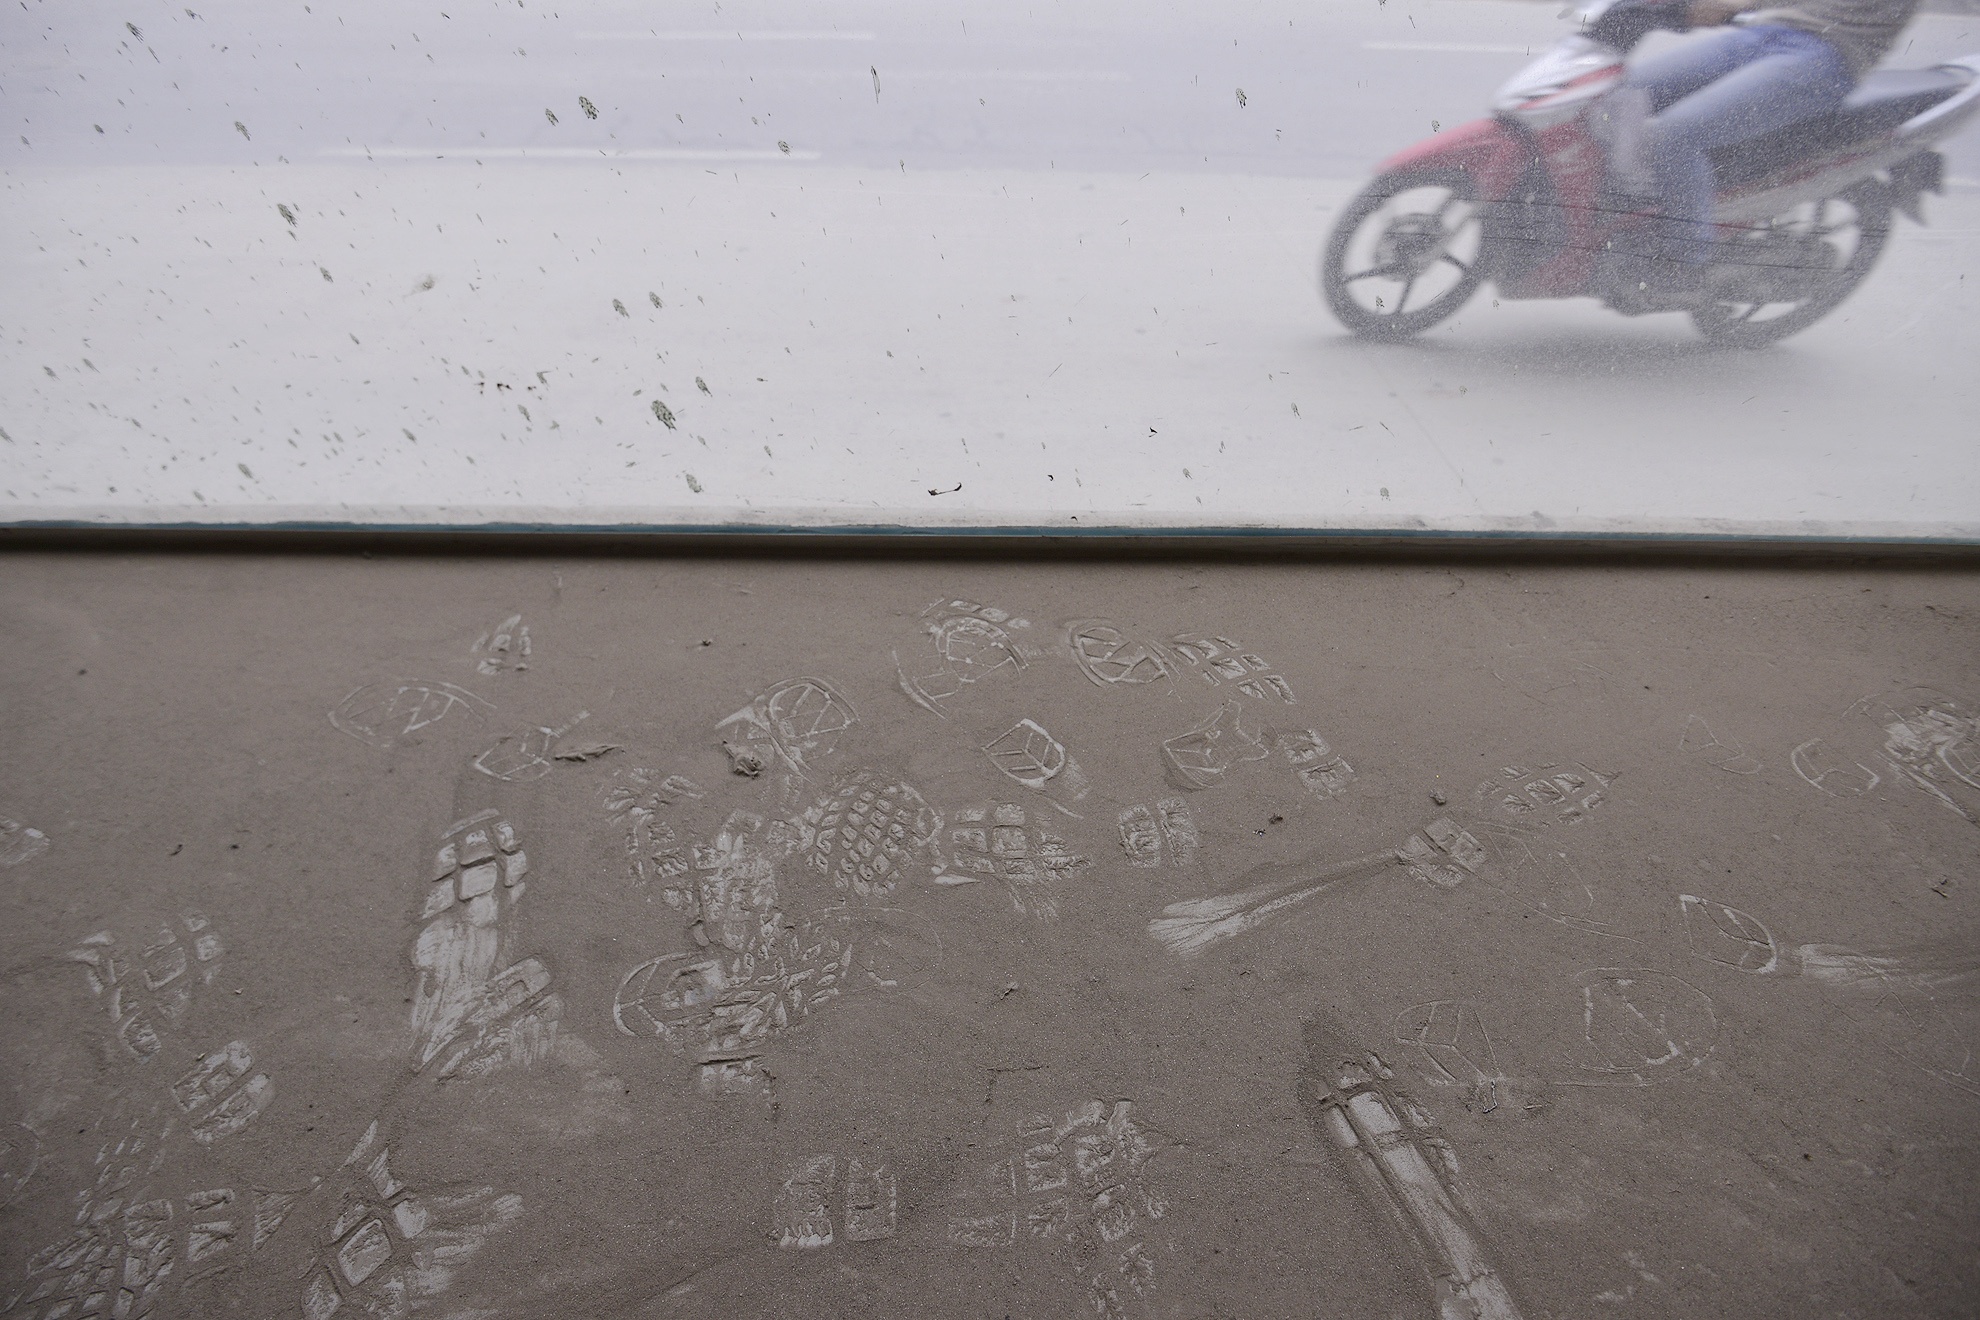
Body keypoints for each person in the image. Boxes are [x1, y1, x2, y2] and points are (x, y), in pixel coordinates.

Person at [1623, 0, 1923, 301]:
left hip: (1827, 55)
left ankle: (1685, 265)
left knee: (1677, 135)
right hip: (1765, 32)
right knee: (1614, 93)